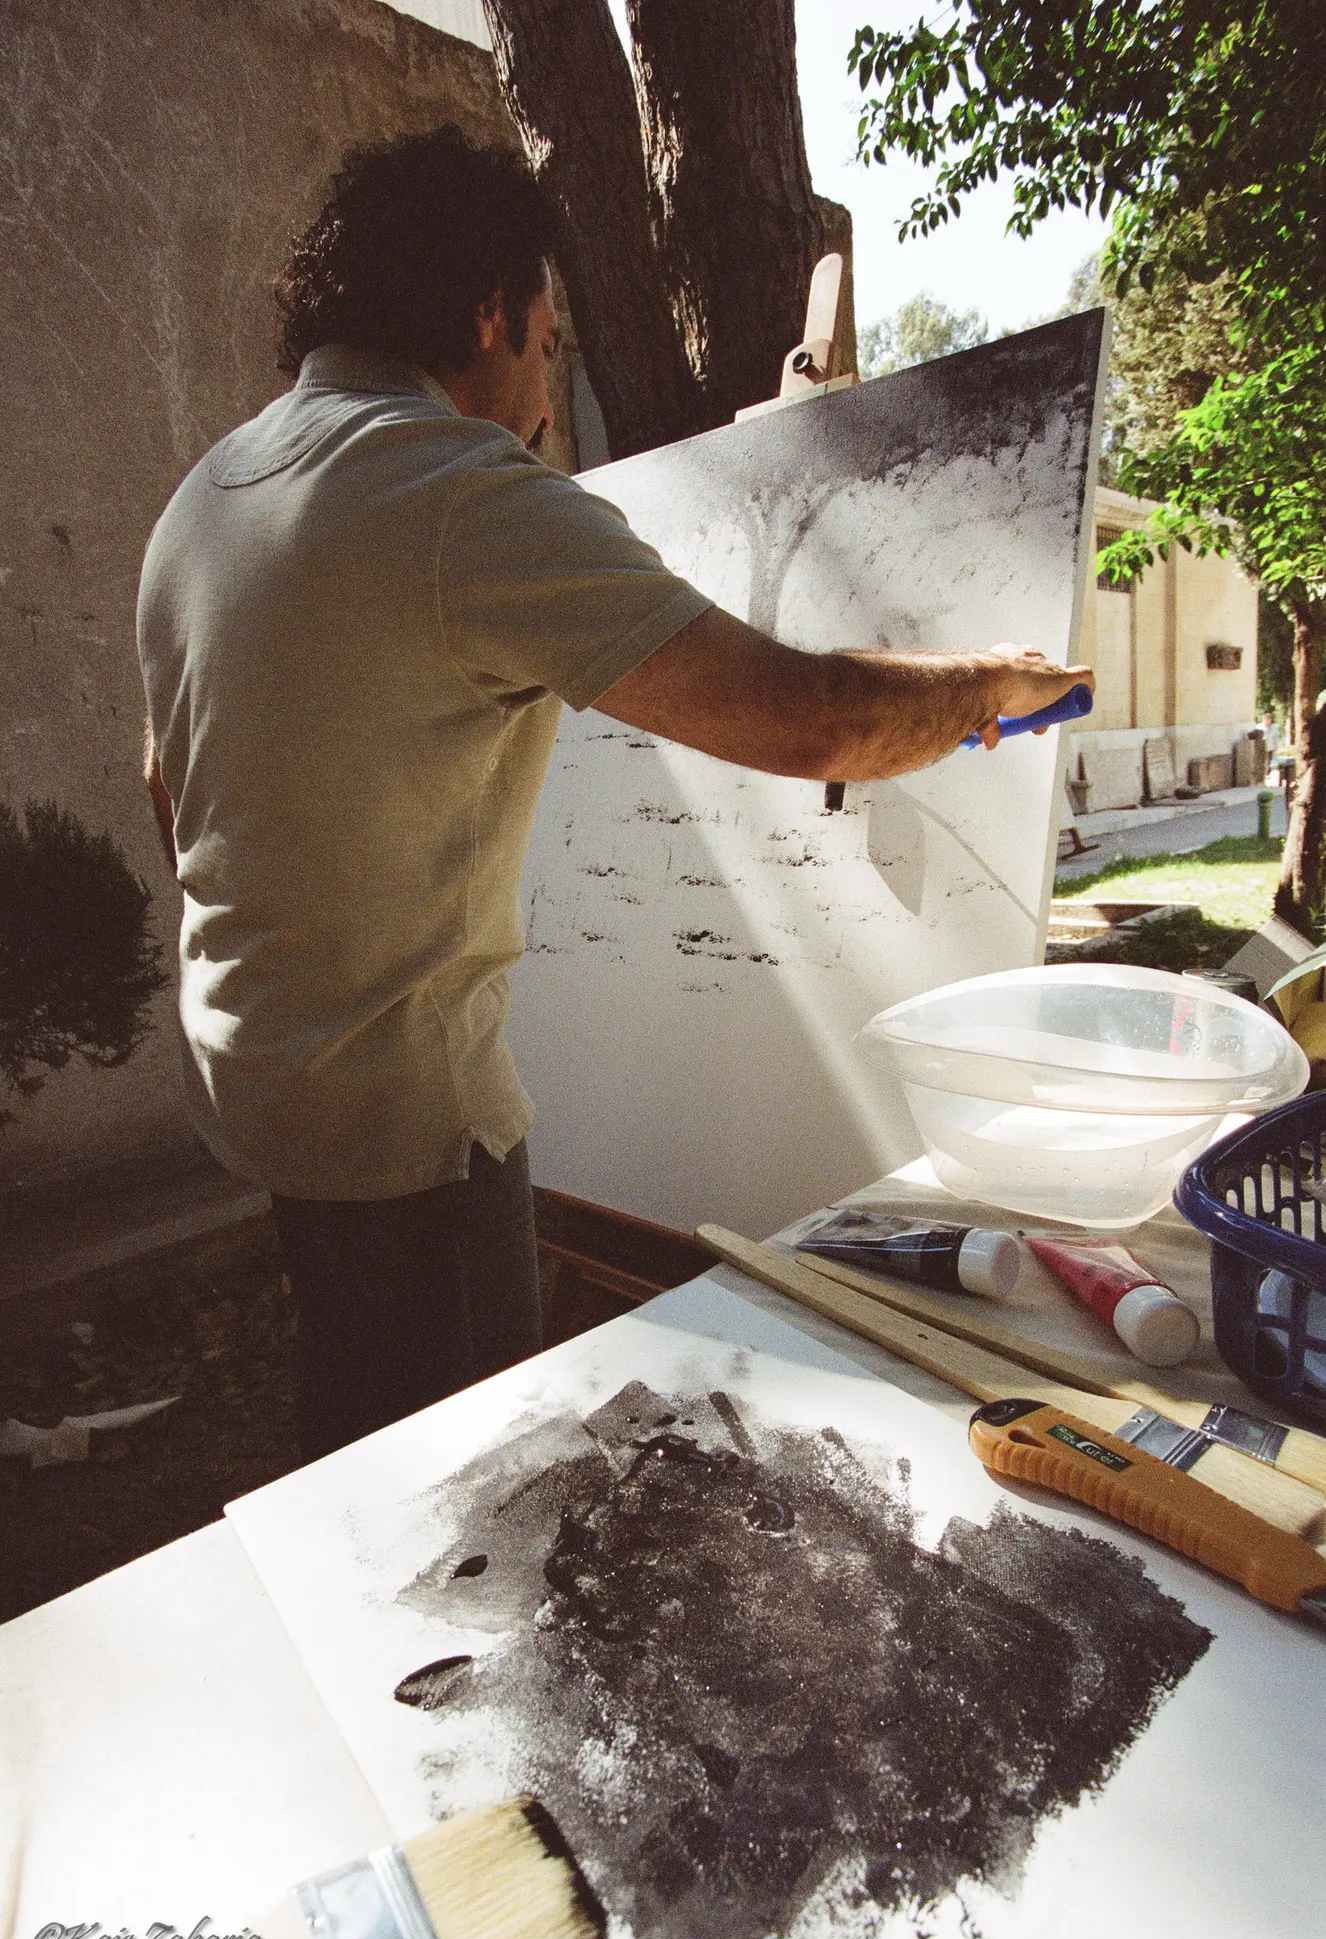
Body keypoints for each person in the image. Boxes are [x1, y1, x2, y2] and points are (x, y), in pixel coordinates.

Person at [138, 126, 1091, 1462]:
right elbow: (808, 719)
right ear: (487, 313)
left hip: (257, 1085)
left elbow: (165, 781)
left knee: (353, 1411)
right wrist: (987, 685)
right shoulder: (452, 492)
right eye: (546, 344)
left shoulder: (202, 502)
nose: (544, 396)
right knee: (458, 1472)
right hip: (409, 1132)